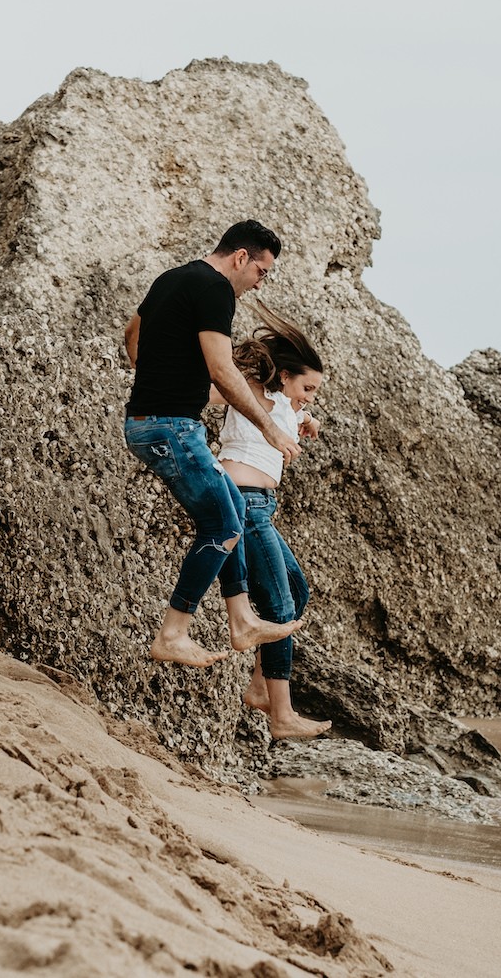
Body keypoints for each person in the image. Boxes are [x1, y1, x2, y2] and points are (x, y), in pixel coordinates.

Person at [123, 220, 304, 668]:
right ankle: (173, 632)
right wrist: (271, 430)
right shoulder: (216, 289)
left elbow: (132, 335)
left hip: (155, 421)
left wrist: (159, 378)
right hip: (172, 429)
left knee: (233, 516)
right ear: (241, 258)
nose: (259, 282)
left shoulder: (172, 278)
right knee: (223, 525)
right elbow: (223, 371)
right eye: (262, 271)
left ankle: (241, 619)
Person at [214, 300, 332, 739]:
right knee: (280, 607)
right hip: (242, 502)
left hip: (262, 506)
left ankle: (261, 686)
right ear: (284, 375)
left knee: (297, 590)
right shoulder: (250, 391)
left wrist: (309, 418)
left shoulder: (285, 404)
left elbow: (294, 412)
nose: (309, 396)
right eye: (309, 387)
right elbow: (219, 385)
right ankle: (282, 717)